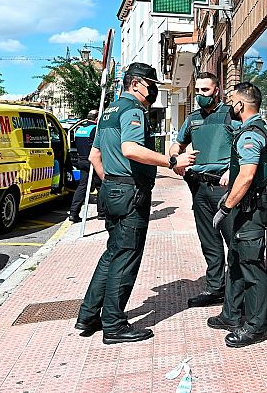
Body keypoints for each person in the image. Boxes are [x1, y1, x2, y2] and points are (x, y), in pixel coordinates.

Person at [75, 62, 197, 345]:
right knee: (126, 256)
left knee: (112, 253)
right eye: (151, 83)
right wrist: (172, 161)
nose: (153, 89)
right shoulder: (133, 110)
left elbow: (95, 157)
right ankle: (114, 325)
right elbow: (130, 149)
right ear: (136, 83)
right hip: (130, 193)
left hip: (112, 189)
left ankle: (89, 315)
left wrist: (113, 183)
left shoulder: (108, 112)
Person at [210, 82, 267, 348]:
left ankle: (255, 326)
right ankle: (231, 314)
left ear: (241, 104)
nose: (229, 104)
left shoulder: (251, 134)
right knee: (236, 260)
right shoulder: (250, 130)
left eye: (231, 100)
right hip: (246, 208)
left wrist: (225, 207)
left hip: (251, 209)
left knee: (251, 266)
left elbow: (248, 175)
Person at [169, 72, 240, 308]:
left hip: (224, 186)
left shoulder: (231, 115)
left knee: (234, 241)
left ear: (217, 90)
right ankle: (215, 288)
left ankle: (239, 293)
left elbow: (245, 145)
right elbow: (176, 145)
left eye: (205, 91)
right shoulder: (192, 119)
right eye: (197, 90)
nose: (200, 95)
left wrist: (234, 169)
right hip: (199, 187)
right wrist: (175, 158)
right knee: (209, 242)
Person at [68, 109, 102, 223]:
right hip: (93, 160)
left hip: (81, 160)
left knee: (82, 187)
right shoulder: (95, 129)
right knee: (100, 186)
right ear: (96, 119)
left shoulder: (79, 129)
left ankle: (73, 213)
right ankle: (102, 213)